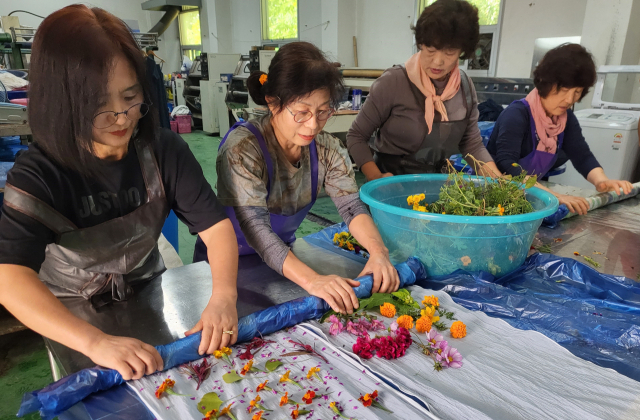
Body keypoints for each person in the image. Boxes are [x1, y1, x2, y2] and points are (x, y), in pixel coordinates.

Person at [0, 5, 239, 380]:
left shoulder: (162, 152)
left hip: (148, 286)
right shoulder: (39, 176)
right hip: (72, 309)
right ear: (62, 103)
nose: (121, 117)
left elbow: (216, 227)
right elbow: (9, 277)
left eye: (130, 97)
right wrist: (94, 342)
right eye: (99, 104)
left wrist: (224, 296)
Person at [193, 42, 399, 314]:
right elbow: (255, 228)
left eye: (323, 111)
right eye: (301, 112)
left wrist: (378, 253)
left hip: (281, 264)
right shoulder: (243, 149)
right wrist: (312, 280)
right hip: (222, 271)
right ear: (272, 101)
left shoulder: (325, 150)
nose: (313, 124)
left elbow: (351, 207)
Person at [347, 0, 500, 180]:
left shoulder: (464, 87)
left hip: (437, 184)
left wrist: (501, 181)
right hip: (391, 184)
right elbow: (356, 136)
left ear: (462, 51)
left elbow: (472, 145)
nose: (437, 61)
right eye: (430, 49)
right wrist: (376, 176)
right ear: (420, 43)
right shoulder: (394, 82)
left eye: (449, 52)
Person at [487, 43, 633, 215]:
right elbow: (507, 165)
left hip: (525, 196)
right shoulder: (517, 114)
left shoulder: (565, 120)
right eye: (564, 90)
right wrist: (553, 196)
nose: (570, 99)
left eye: (577, 92)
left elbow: (583, 156)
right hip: (493, 198)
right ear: (545, 83)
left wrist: (602, 182)